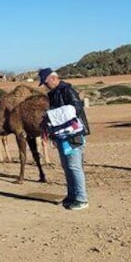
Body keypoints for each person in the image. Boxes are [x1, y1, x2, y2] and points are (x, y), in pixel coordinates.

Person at [39, 68, 91, 210]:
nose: (45, 85)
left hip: (73, 134)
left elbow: (76, 108)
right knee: (67, 166)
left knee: (74, 166)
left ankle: (81, 198)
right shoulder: (54, 94)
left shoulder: (68, 91)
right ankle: (72, 195)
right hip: (62, 135)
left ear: (53, 78)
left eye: (45, 82)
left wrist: (51, 115)